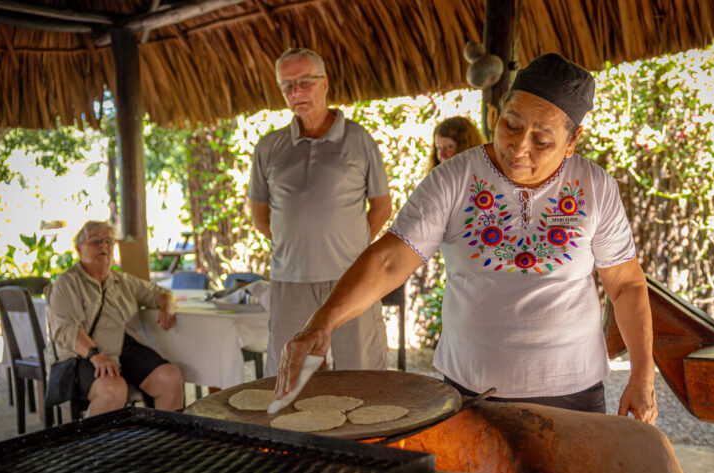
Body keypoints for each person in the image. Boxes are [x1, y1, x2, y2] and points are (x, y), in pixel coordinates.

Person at [274, 53, 657, 424]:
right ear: (496, 114)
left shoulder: (595, 187)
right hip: (473, 394)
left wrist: (642, 375)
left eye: (542, 141)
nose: (519, 147)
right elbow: (391, 260)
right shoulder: (455, 178)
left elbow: (625, 284)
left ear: (572, 142)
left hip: (575, 394)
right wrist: (322, 323)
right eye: (511, 125)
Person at [249, 48, 392, 377]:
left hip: (350, 277)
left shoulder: (359, 139)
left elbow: (382, 206)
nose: (296, 92)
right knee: (289, 373)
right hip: (290, 279)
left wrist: (351, 247)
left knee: (362, 370)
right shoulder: (269, 147)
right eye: (287, 86)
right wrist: (295, 243)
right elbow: (260, 215)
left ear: (325, 83)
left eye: (304, 82)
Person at [45, 220, 184, 417]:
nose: (103, 246)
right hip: (80, 355)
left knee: (170, 377)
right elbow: (65, 329)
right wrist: (96, 355)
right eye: (95, 242)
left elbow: (161, 293)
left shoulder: (123, 281)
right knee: (113, 389)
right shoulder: (66, 283)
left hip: (119, 349)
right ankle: (93, 447)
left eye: (108, 242)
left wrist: (167, 306)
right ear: (79, 248)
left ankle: (165, 443)